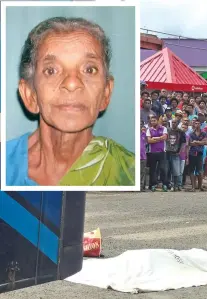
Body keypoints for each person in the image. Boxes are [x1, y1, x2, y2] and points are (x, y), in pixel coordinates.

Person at [5, 16, 134, 186]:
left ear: (106, 93)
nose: (72, 83)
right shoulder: (6, 165)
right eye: (51, 70)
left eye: (89, 69)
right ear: (30, 94)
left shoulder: (127, 172)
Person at [146, 114, 169, 192]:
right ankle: (153, 184)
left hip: (162, 152)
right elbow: (149, 140)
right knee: (153, 170)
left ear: (158, 121)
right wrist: (160, 138)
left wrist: (155, 138)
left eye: (154, 120)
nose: (152, 122)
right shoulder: (149, 130)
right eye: (151, 121)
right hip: (152, 152)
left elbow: (164, 138)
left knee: (163, 169)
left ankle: (164, 184)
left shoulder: (164, 128)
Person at [186, 122, 207, 192]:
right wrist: (200, 142)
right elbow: (190, 143)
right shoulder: (191, 134)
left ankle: (200, 186)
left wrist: (196, 142)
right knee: (192, 170)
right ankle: (193, 187)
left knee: (200, 170)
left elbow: (205, 142)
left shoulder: (203, 133)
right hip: (192, 153)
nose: (197, 125)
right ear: (194, 125)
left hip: (200, 153)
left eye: (198, 123)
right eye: (196, 123)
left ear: (200, 125)